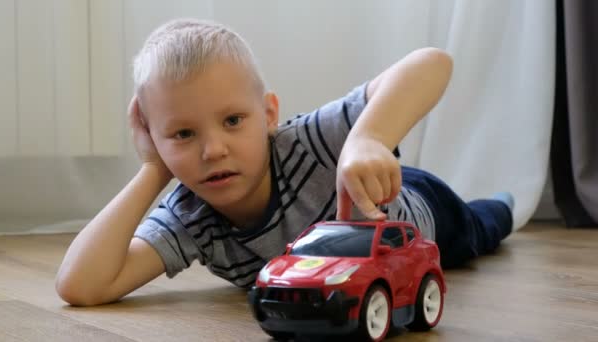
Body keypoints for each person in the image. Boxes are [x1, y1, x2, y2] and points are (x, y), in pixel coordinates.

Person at [55, 18, 513, 306]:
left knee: (483, 227)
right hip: (334, 275)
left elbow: (432, 63)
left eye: (233, 120)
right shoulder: (190, 215)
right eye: (183, 134)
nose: (213, 150)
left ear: (268, 114)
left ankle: (504, 204)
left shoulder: (305, 142)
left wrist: (367, 139)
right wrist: (154, 170)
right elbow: (81, 286)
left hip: (414, 206)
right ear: (154, 138)